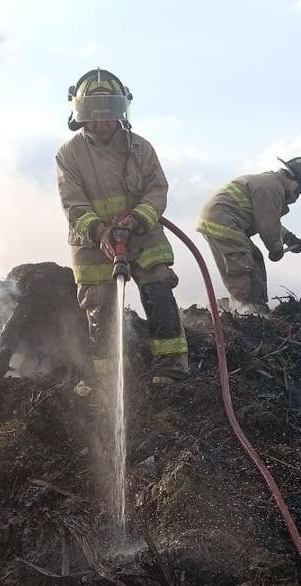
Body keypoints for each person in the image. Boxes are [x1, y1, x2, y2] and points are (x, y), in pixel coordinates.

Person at [56, 68, 189, 386]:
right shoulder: (69, 154)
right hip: (93, 242)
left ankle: (171, 364)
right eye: (93, 114)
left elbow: (157, 189)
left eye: (109, 114)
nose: (101, 122)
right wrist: (101, 232)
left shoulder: (140, 148)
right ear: (79, 114)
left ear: (122, 112)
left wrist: (139, 219)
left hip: (143, 234)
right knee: (100, 305)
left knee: (158, 290)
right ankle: (108, 378)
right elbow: (73, 203)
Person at [197, 157, 301, 315]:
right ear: (294, 181)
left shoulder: (270, 183)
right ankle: (249, 313)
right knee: (244, 268)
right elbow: (268, 227)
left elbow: (268, 219)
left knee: (255, 258)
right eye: (300, 191)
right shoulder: (273, 188)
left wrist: (290, 238)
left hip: (224, 220)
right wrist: (276, 251)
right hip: (224, 222)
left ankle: (249, 309)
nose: (297, 197)